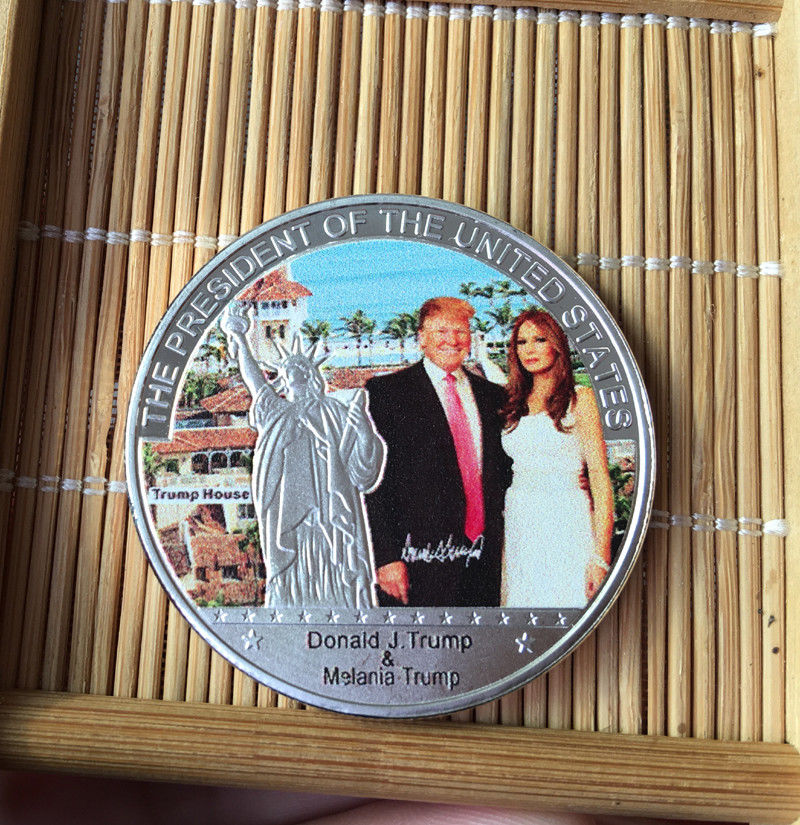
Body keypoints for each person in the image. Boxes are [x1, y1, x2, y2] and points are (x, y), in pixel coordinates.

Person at [222, 305, 386, 609]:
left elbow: (362, 472)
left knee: (336, 568)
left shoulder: (334, 411)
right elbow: (254, 381)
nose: (292, 372)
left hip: (332, 513)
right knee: (296, 574)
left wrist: (364, 431)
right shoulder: (276, 412)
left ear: (311, 375)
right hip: (290, 517)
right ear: (284, 379)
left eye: (299, 368)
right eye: (288, 370)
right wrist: (239, 337)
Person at [364, 297, 512, 607]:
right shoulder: (386, 394)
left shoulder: (494, 396)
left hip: (486, 557)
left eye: (460, 331)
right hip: (415, 561)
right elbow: (373, 484)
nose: (452, 340)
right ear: (421, 338)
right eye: (441, 331)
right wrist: (385, 557)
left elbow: (506, 471)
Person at [493, 308, 613, 607]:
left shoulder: (580, 399)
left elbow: (600, 480)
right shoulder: (511, 402)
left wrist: (601, 557)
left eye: (539, 339)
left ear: (556, 345)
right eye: (521, 342)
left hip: (566, 516)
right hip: (521, 518)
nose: (529, 349)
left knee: (570, 600)